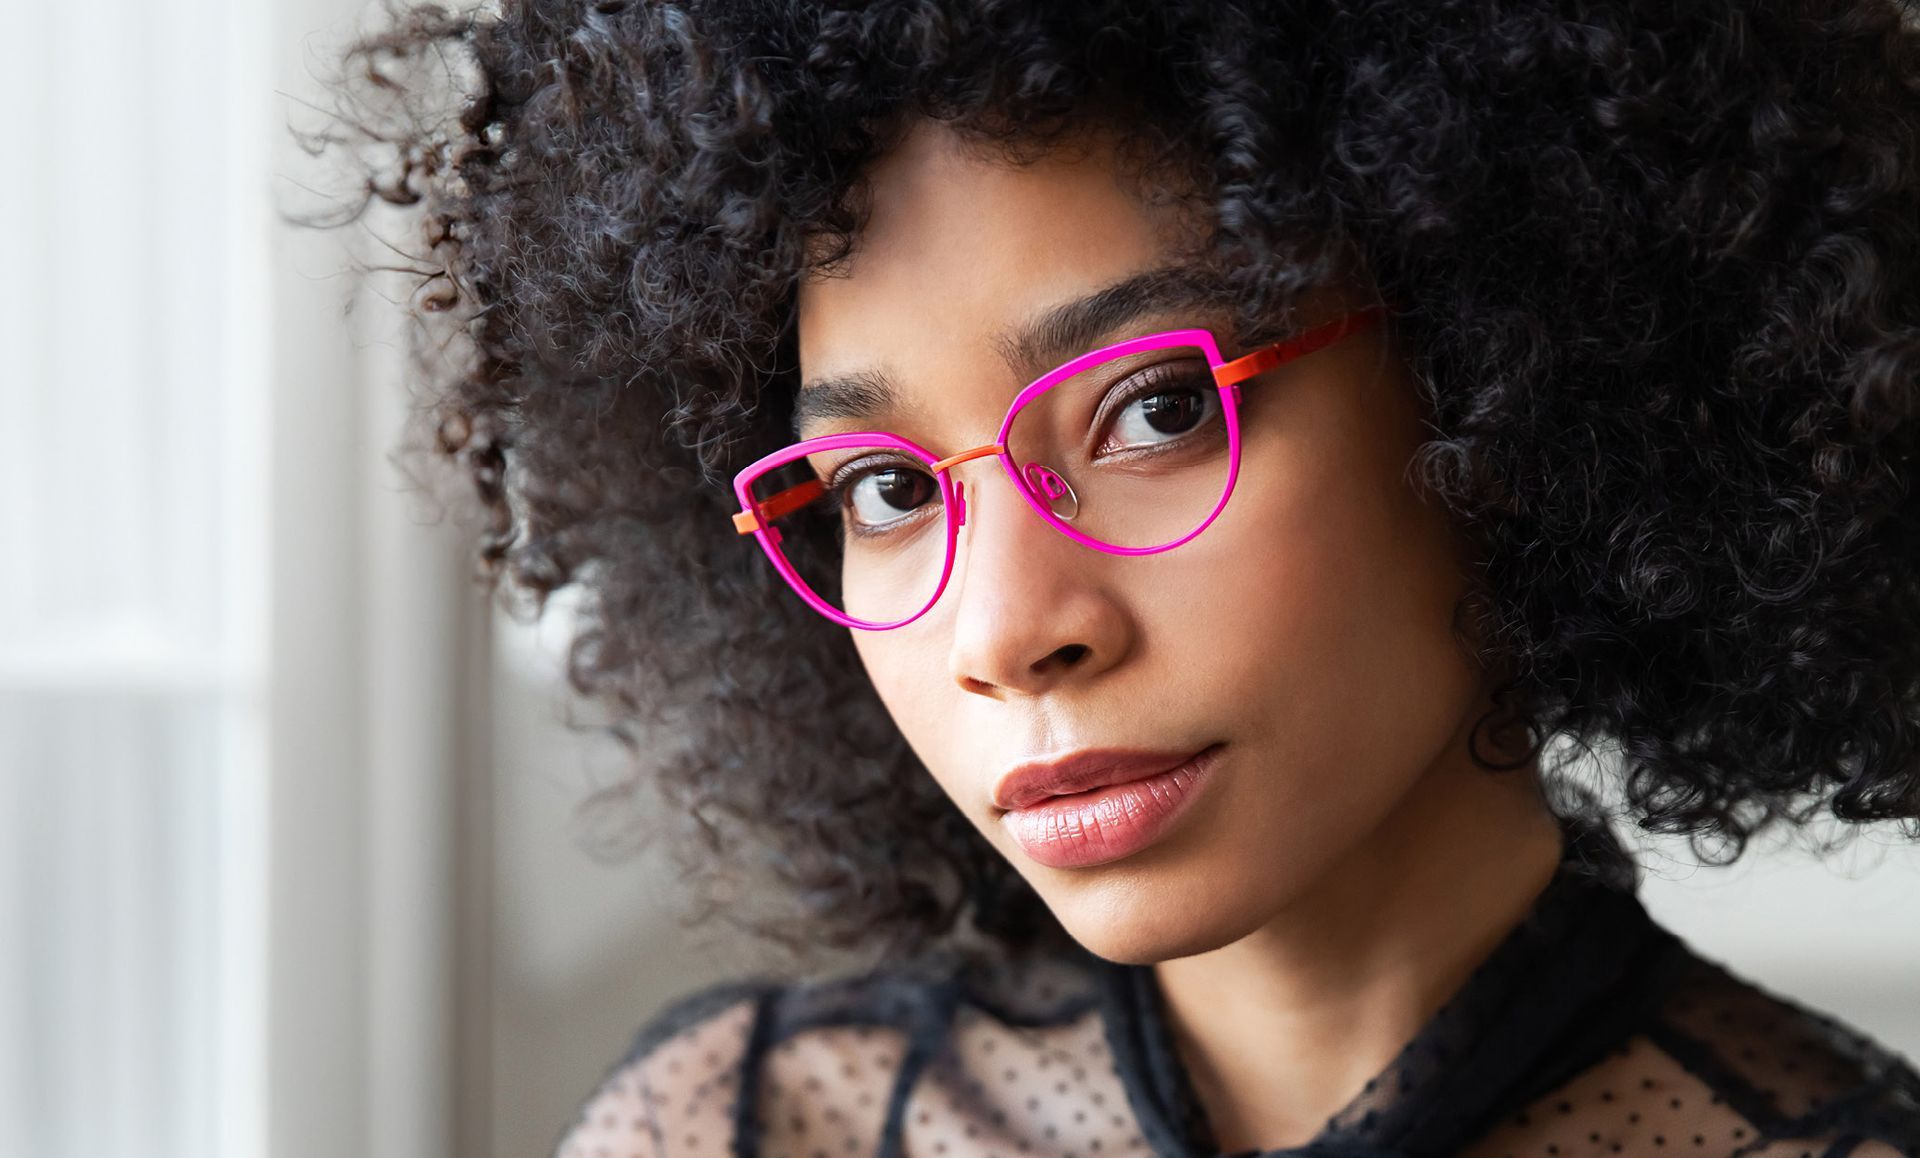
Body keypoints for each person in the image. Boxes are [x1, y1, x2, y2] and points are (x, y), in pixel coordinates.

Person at [313, 1, 1920, 1154]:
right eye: (880, 488)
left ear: (1503, 375)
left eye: (1154, 408)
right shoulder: (740, 1128)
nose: (1007, 629)